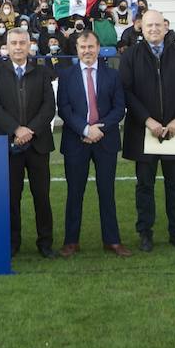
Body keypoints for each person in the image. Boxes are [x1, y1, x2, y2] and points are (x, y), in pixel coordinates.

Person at [119, 9, 175, 253]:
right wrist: (147, 120)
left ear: (165, 26)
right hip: (143, 131)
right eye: (149, 25)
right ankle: (145, 233)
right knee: (144, 185)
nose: (153, 29)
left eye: (158, 25)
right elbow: (126, 91)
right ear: (141, 28)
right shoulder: (130, 55)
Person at [0, 27, 56, 259]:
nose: (18, 47)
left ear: (29, 45)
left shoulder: (42, 72)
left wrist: (29, 130)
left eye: (22, 43)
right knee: (11, 197)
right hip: (8, 144)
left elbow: (49, 107)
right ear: (6, 46)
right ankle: (12, 242)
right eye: (13, 43)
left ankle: (45, 242)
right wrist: (16, 129)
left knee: (41, 196)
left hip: (38, 144)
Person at [55, 30, 127, 257]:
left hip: (105, 140)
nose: (87, 51)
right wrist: (86, 129)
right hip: (76, 141)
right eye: (83, 47)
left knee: (107, 192)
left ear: (98, 48)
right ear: (77, 49)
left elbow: (119, 108)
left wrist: (99, 129)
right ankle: (71, 241)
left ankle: (112, 240)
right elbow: (64, 108)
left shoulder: (112, 75)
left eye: (91, 47)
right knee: (75, 193)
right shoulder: (66, 76)